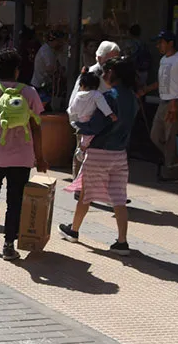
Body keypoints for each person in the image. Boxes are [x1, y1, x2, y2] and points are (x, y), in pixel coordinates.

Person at [0, 48, 47, 261]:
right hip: (22, 157)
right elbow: (37, 127)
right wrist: (40, 157)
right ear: (16, 71)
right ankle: (9, 245)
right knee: (15, 200)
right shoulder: (30, 92)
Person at [59, 57, 140, 255]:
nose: (104, 74)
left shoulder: (110, 96)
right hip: (119, 153)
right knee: (119, 197)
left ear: (113, 73)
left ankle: (74, 230)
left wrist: (78, 126)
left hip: (99, 152)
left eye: (106, 70)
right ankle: (122, 241)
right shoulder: (132, 97)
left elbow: (97, 124)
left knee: (86, 194)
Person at [142, 31, 178, 183]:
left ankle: (172, 173)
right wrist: (146, 89)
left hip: (176, 103)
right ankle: (176, 161)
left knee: (172, 138)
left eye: (161, 42)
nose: (158, 45)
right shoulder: (164, 60)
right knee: (155, 136)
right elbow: (162, 81)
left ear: (170, 43)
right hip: (163, 102)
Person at [30, 31, 65, 100]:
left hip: (43, 83)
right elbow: (49, 68)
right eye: (58, 41)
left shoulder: (50, 50)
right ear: (54, 41)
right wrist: (57, 72)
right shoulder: (46, 51)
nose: (60, 43)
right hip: (41, 85)